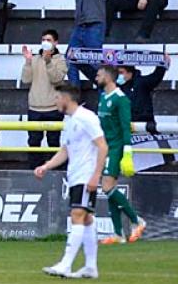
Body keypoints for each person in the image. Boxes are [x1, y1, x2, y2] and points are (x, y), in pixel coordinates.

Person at [35, 83, 107, 279]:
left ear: (67, 98)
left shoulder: (87, 118)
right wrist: (46, 166)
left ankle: (65, 264)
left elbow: (102, 146)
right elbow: (65, 150)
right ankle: (91, 267)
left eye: (57, 98)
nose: (55, 101)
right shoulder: (69, 120)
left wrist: (95, 175)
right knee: (86, 218)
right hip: (75, 175)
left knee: (77, 214)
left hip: (86, 175)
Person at [95, 66, 147, 245]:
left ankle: (136, 220)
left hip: (116, 147)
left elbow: (126, 126)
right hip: (105, 147)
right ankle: (118, 233)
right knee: (109, 189)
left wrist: (127, 150)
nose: (96, 77)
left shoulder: (121, 99)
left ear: (109, 78)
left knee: (107, 186)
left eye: (99, 74)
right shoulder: (103, 97)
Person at [20, 29, 69, 169]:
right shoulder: (34, 59)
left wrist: (48, 62)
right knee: (34, 141)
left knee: (53, 141)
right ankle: (34, 169)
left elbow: (57, 80)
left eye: (49, 40)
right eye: (43, 40)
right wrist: (28, 62)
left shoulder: (60, 60)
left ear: (56, 42)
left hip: (53, 108)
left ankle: (56, 170)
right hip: (34, 108)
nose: (45, 43)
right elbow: (25, 79)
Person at [119, 60, 170, 136]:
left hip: (145, 128)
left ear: (130, 73)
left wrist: (163, 63)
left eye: (121, 73)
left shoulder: (142, 83)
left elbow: (156, 77)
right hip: (126, 129)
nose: (118, 75)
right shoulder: (116, 87)